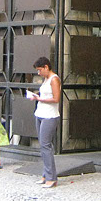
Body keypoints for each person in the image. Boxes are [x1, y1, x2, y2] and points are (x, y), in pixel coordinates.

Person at [26, 56, 61, 188]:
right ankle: (46, 174)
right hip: (40, 113)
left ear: (46, 67)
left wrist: (40, 99)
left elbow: (56, 98)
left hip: (50, 116)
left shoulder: (54, 79)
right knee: (44, 145)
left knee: (45, 145)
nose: (39, 73)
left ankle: (51, 178)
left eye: (40, 70)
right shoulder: (46, 79)